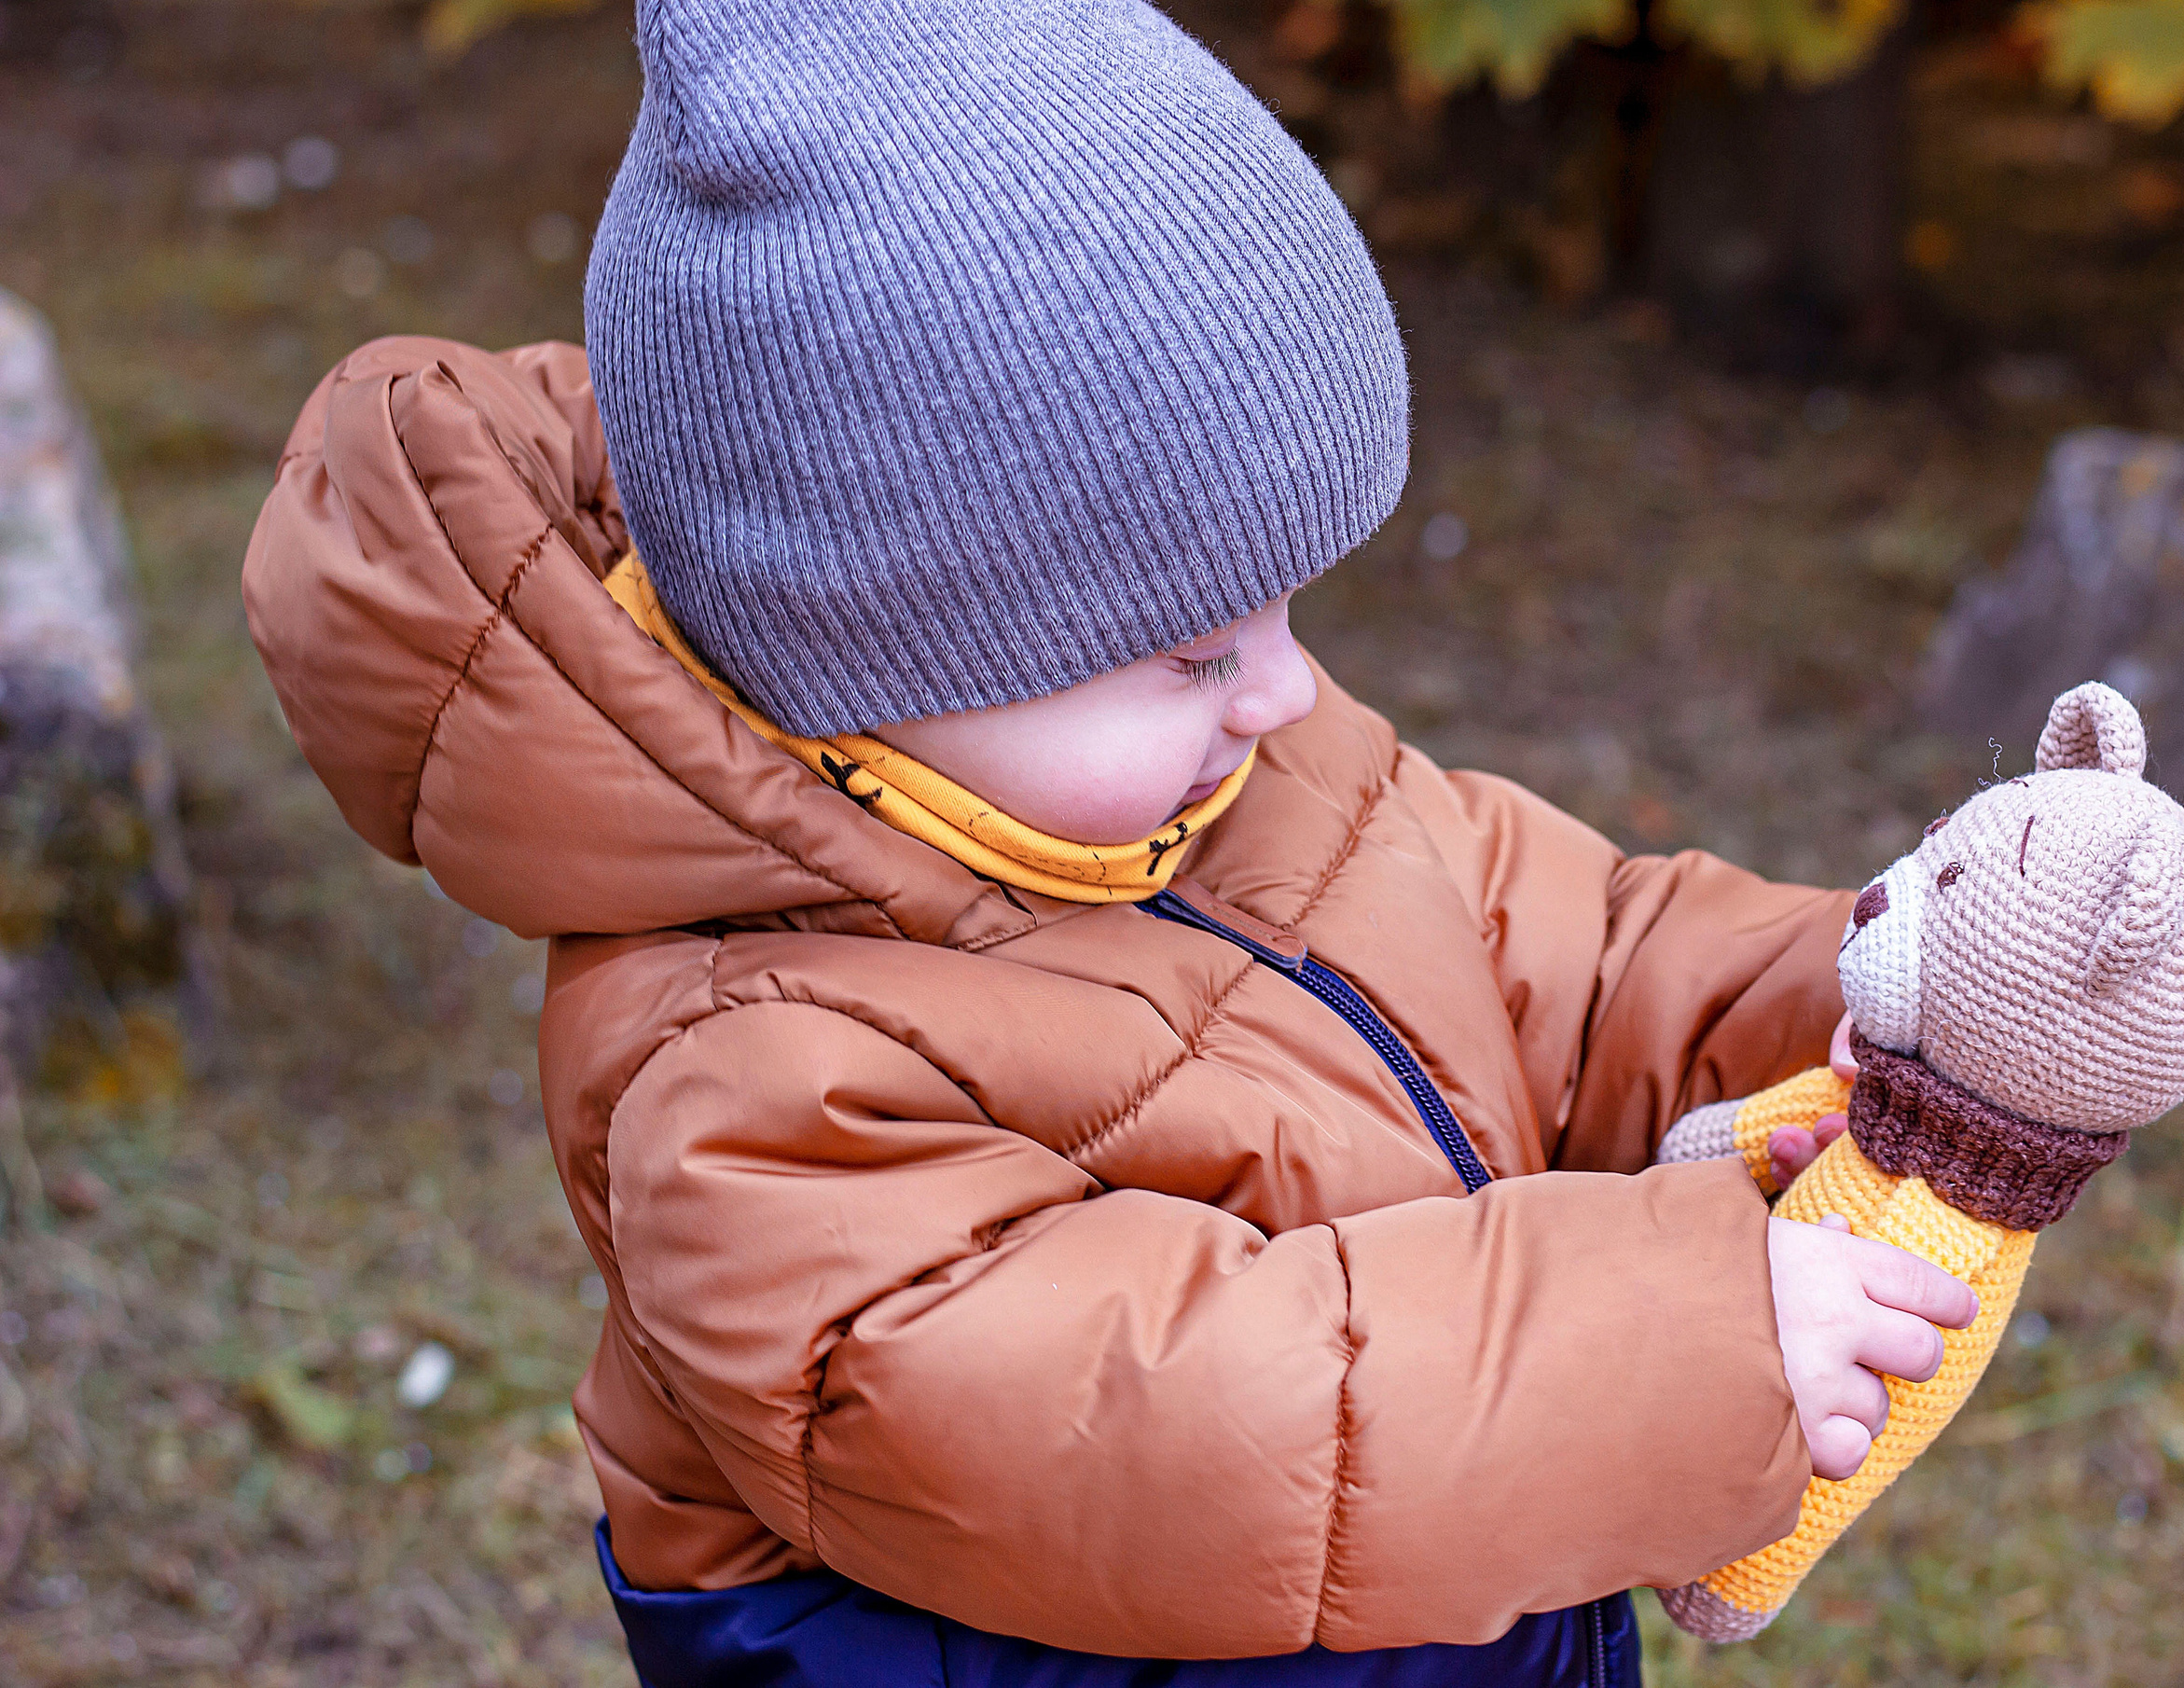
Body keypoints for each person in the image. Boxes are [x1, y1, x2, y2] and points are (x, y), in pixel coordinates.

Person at [241, 1, 1976, 1683]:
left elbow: (1565, 958)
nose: (1285, 688)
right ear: (881, 658)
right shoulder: (747, 1081)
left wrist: (1887, 972)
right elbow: (1183, 1427)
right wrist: (1680, 1342)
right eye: (1195, 647)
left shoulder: (1201, 771)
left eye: (1285, 605)